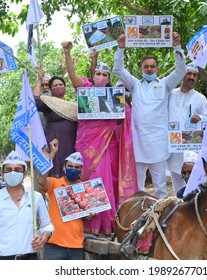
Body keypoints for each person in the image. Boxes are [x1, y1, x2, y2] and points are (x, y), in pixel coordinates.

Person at [63, 41, 138, 236]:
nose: (101, 77)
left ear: (109, 78)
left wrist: (124, 110)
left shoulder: (115, 97)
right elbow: (72, 76)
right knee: (88, 179)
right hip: (86, 143)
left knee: (106, 181)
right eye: (98, 73)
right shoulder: (85, 90)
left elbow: (122, 124)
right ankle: (87, 223)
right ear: (93, 76)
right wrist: (67, 53)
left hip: (108, 145)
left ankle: (107, 225)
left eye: (105, 75)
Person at [113, 32, 186, 198]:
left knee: (160, 189)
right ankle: (139, 221)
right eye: (146, 66)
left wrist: (177, 46)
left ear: (157, 69)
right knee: (138, 190)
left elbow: (181, 70)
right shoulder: (134, 85)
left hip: (158, 145)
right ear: (141, 69)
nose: (149, 69)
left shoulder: (165, 84)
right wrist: (120, 49)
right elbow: (118, 70)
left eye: (152, 66)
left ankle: (161, 221)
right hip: (138, 144)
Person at [0, 151, 54, 260]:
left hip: (30, 259)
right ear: (2, 174)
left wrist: (44, 237)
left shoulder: (35, 198)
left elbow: (47, 225)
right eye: (9, 170)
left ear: (25, 174)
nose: (13, 173)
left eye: (18, 170)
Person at [37, 142, 92, 260]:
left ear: (81, 170)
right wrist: (51, 156)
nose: (73, 169)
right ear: (64, 167)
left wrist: (91, 214)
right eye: (70, 166)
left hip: (77, 246)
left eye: (77, 167)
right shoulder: (54, 183)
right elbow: (41, 181)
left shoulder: (86, 189)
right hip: (54, 245)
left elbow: (86, 214)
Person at [167, 62, 207, 195]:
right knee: (177, 188)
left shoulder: (200, 98)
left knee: (195, 188)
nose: (191, 77)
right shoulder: (170, 94)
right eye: (189, 73)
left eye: (195, 75)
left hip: (192, 150)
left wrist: (200, 118)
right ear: (182, 75)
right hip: (174, 148)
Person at [33, 70, 78, 179]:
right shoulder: (48, 102)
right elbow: (34, 100)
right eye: (55, 85)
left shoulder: (74, 107)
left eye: (60, 84)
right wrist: (39, 80)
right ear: (51, 90)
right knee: (55, 170)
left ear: (65, 88)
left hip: (71, 142)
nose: (58, 86)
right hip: (54, 143)